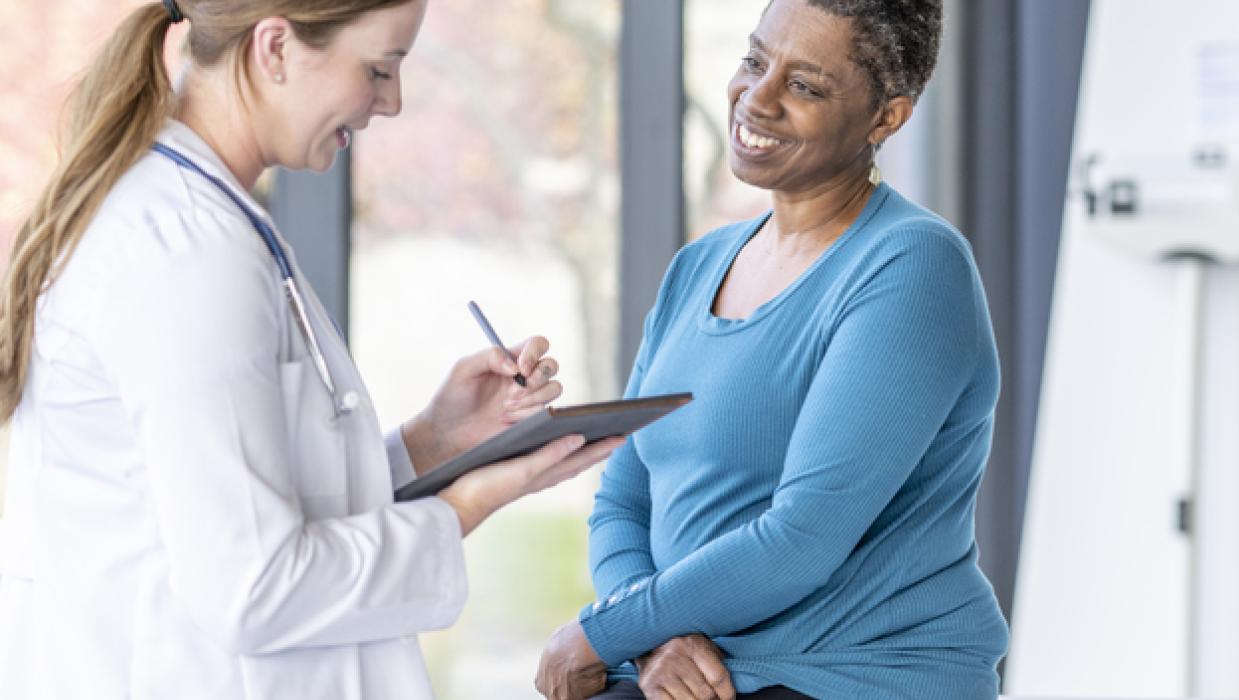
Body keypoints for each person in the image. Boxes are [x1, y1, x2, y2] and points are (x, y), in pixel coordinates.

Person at [0, 1, 622, 698]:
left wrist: (434, 441)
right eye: (378, 69)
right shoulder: (187, 253)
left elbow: (253, 498)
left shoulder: (197, 221)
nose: (391, 101)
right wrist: (465, 505)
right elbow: (254, 586)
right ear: (275, 49)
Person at [534, 0, 1008, 698]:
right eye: (755, 61)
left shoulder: (911, 266)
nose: (756, 98)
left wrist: (602, 634)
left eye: (804, 85)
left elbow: (802, 538)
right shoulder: (698, 266)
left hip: (850, 678)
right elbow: (624, 499)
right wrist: (653, 636)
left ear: (886, 117)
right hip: (695, 670)